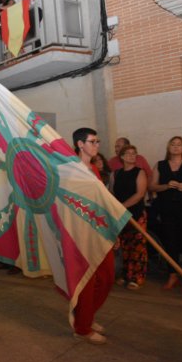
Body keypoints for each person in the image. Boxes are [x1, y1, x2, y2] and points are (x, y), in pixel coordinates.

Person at [71, 128, 114, 345]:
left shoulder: (95, 170)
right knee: (88, 281)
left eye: (98, 141)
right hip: (82, 234)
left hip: (100, 231)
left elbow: (101, 201)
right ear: (80, 144)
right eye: (92, 141)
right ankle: (82, 327)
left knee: (107, 277)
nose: (97, 145)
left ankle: (85, 316)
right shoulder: (72, 170)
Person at [149, 136, 182, 293]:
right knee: (169, 242)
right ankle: (172, 275)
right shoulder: (160, 165)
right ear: (168, 147)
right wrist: (165, 186)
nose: (176, 147)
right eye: (173, 144)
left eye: (179, 145)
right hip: (166, 209)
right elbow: (152, 186)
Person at [111, 145, 148, 290]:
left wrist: (123, 207)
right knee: (124, 245)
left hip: (136, 213)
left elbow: (139, 194)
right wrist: (116, 208)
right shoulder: (116, 174)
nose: (132, 156)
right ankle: (125, 274)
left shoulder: (140, 172)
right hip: (120, 214)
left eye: (134, 153)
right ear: (122, 157)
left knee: (137, 246)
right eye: (128, 153)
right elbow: (112, 192)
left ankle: (136, 277)